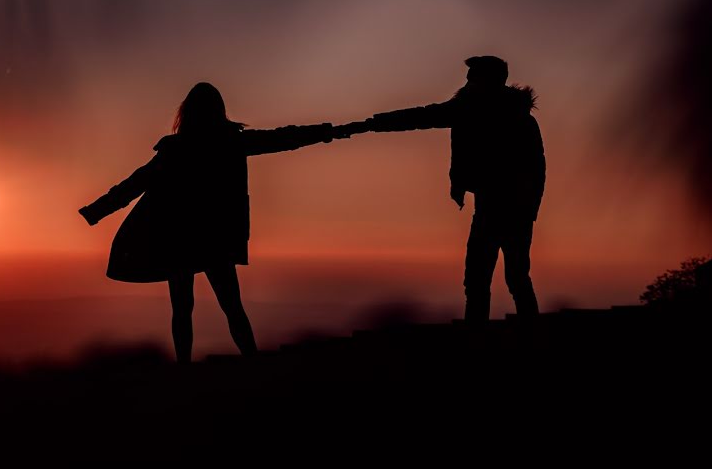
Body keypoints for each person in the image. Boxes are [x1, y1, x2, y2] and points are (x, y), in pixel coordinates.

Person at [78, 82, 335, 363]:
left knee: (184, 307)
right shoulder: (229, 142)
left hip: (180, 237)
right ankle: (250, 361)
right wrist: (326, 132)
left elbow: (135, 183)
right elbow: (282, 138)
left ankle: (186, 369)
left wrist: (96, 210)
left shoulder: (177, 149)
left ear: (186, 113)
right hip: (214, 236)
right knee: (230, 304)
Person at [337, 56, 546, 324]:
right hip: (492, 207)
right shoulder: (471, 108)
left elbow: (536, 169)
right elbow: (422, 116)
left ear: (490, 80)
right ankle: (480, 335)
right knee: (480, 279)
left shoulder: (513, 119)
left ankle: (525, 337)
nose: (468, 80)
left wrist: (529, 210)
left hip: (512, 209)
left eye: (474, 76)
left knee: (510, 278)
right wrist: (373, 123)